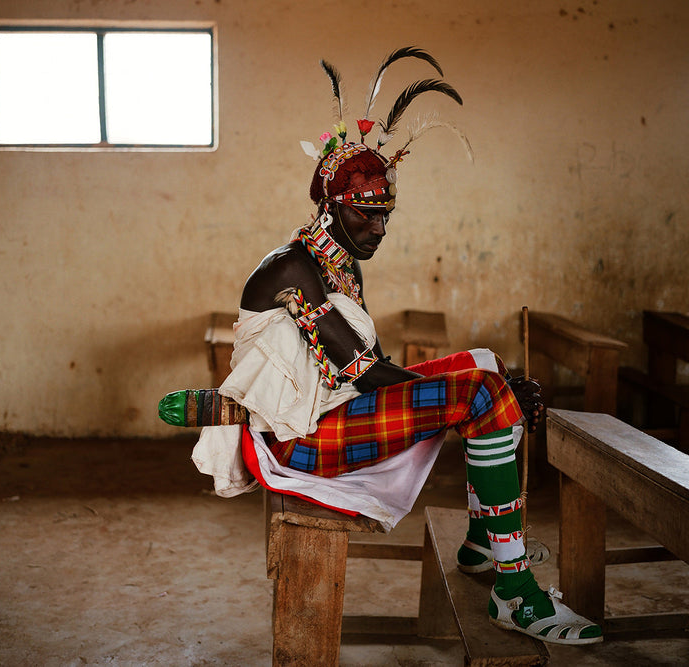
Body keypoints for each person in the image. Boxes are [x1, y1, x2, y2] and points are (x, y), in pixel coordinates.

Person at [175, 47, 603, 645]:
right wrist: (483, 397)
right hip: (295, 439)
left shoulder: (337, 256)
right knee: (481, 391)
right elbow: (365, 371)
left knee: (482, 364)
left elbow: (362, 371)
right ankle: (513, 589)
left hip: (329, 410)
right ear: (330, 205)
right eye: (365, 215)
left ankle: (484, 542)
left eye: (385, 215)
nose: (378, 228)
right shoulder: (295, 269)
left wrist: (484, 385)